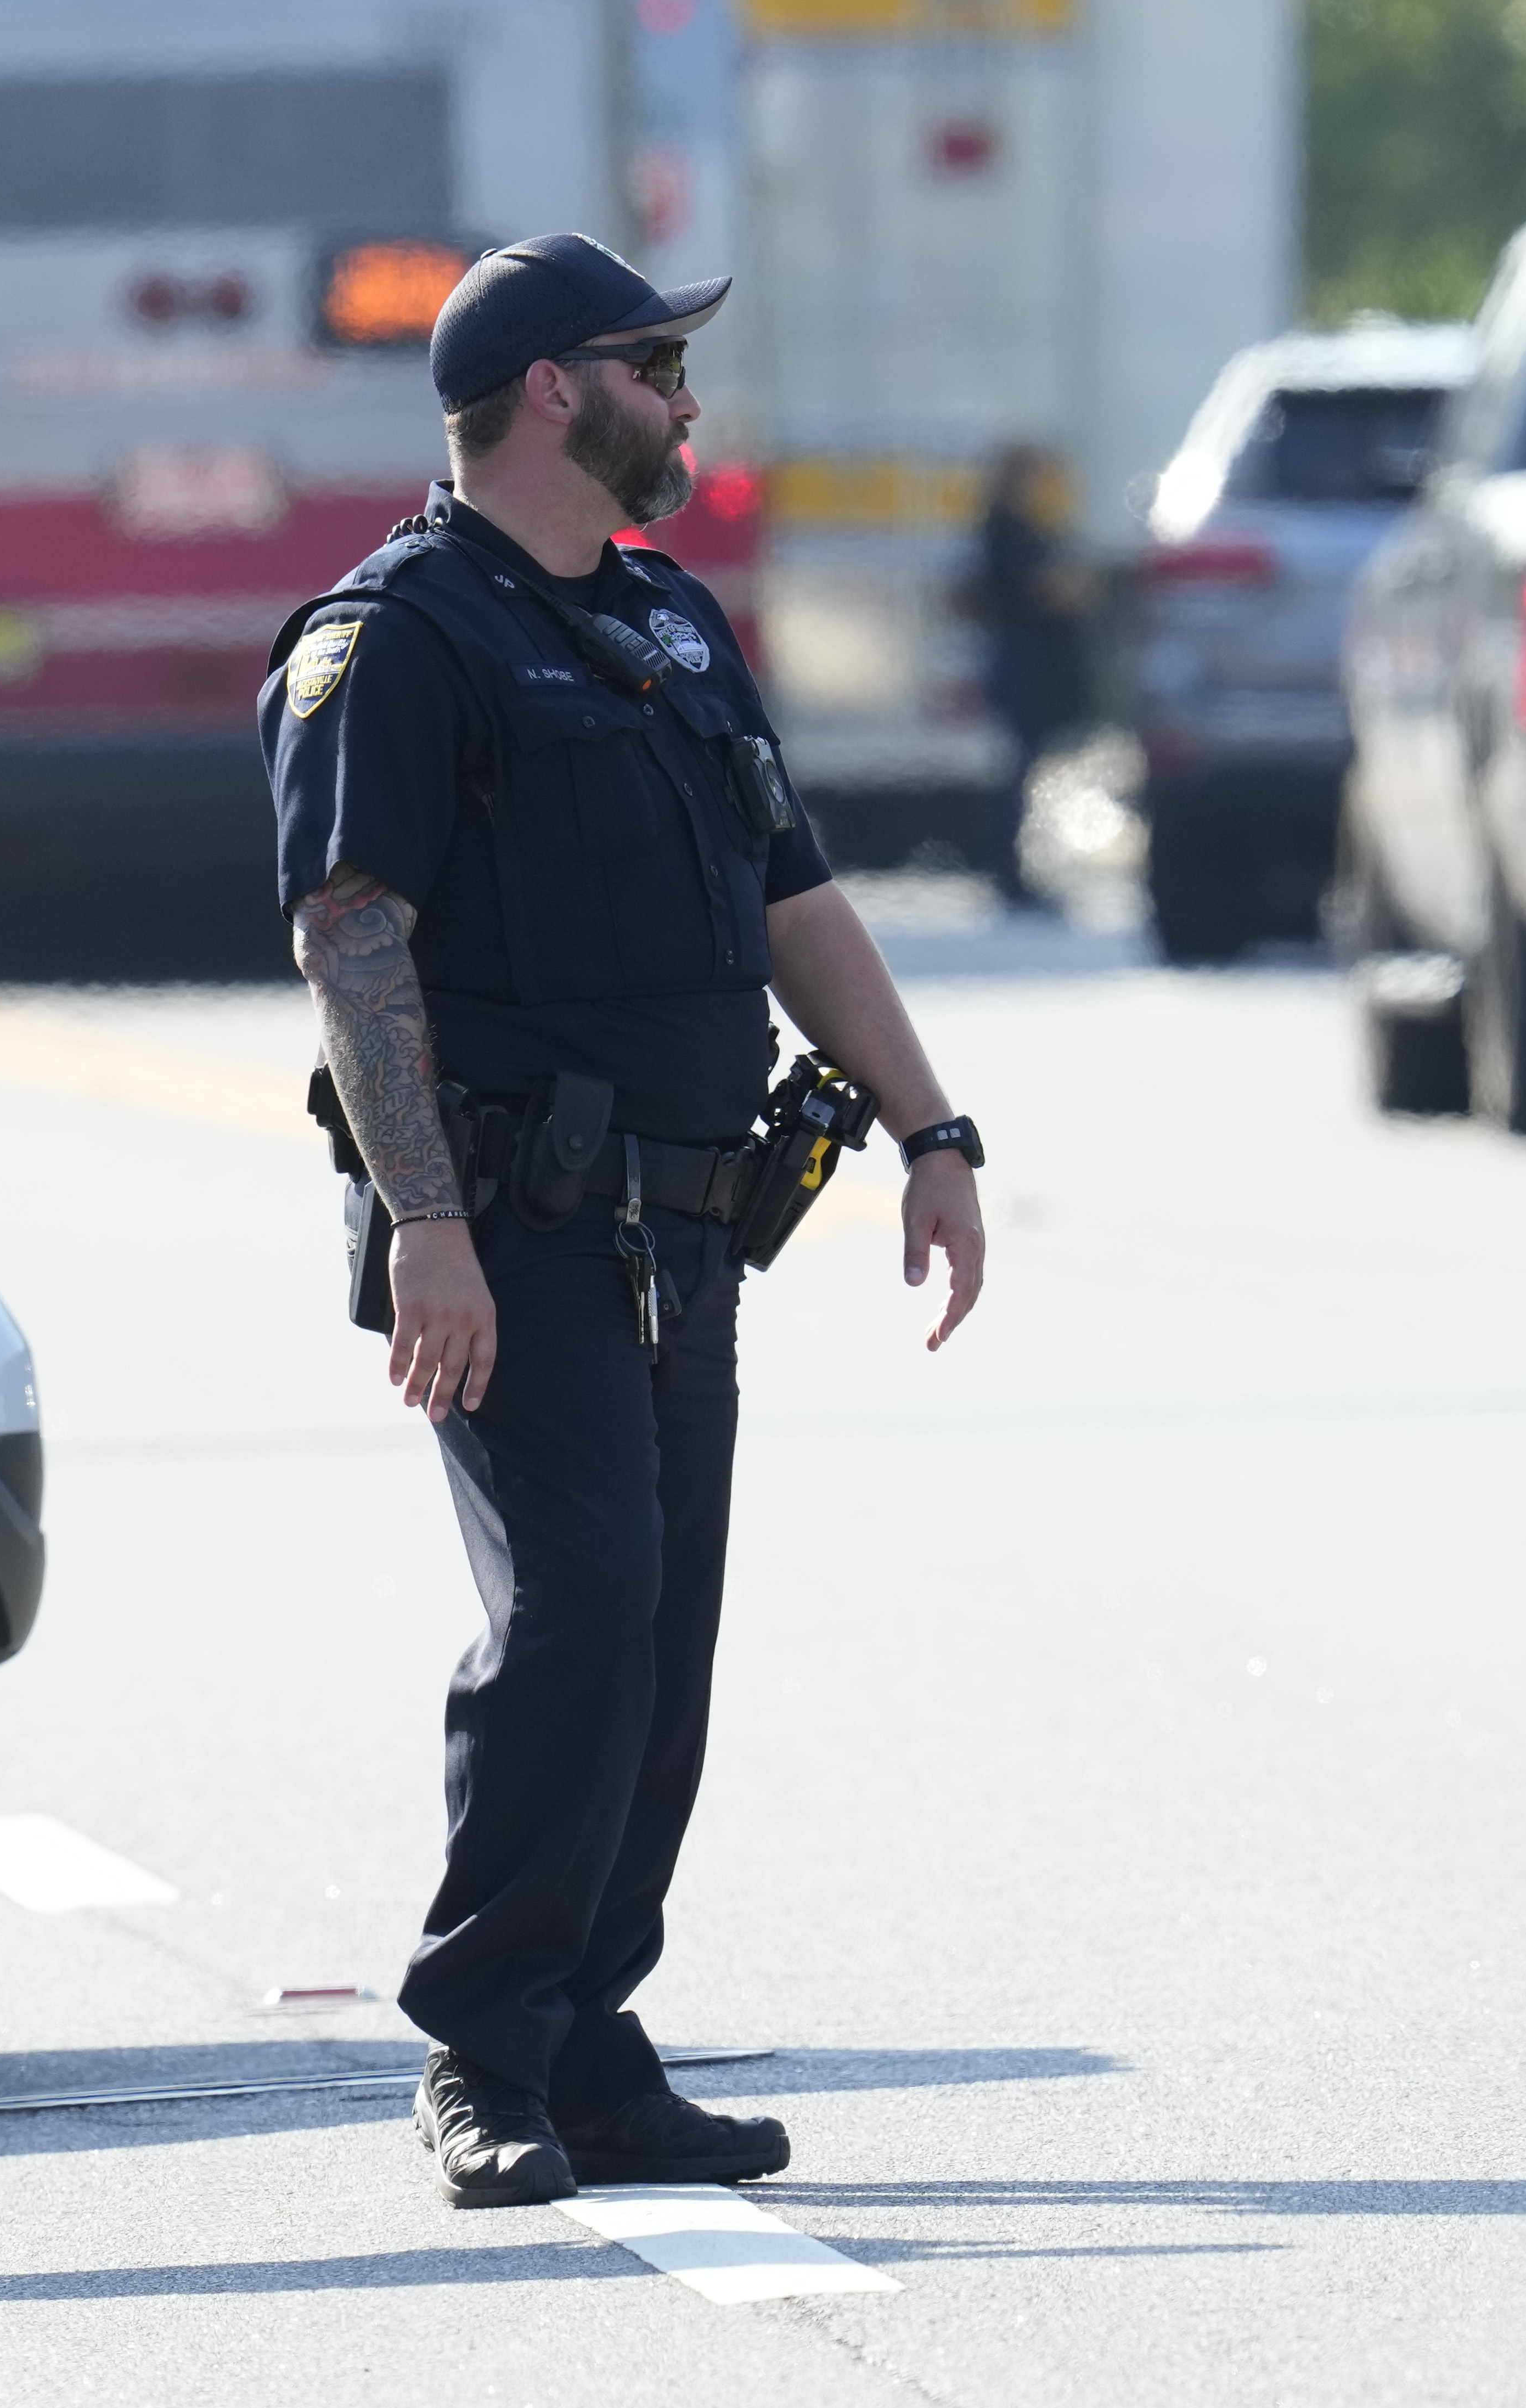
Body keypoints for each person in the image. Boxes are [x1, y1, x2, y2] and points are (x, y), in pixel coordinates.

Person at [259, 235, 993, 2210]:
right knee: (576, 1604)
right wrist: (423, 1217)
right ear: (550, 394)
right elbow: (351, 931)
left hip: (686, 1228)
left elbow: (795, 899)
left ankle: (588, 2032)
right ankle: (482, 2039)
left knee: (655, 1628)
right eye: (654, 363)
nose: (687, 396)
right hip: (503, 1228)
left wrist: (933, 1128)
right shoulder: (394, 635)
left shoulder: (666, 627)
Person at [960, 441, 1093, 908]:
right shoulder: (1007, 530)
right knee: (1015, 775)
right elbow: (1048, 589)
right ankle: (1008, 874)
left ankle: (1014, 870)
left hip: (1033, 665)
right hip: (1023, 665)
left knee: (1023, 772)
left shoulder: (1027, 528)